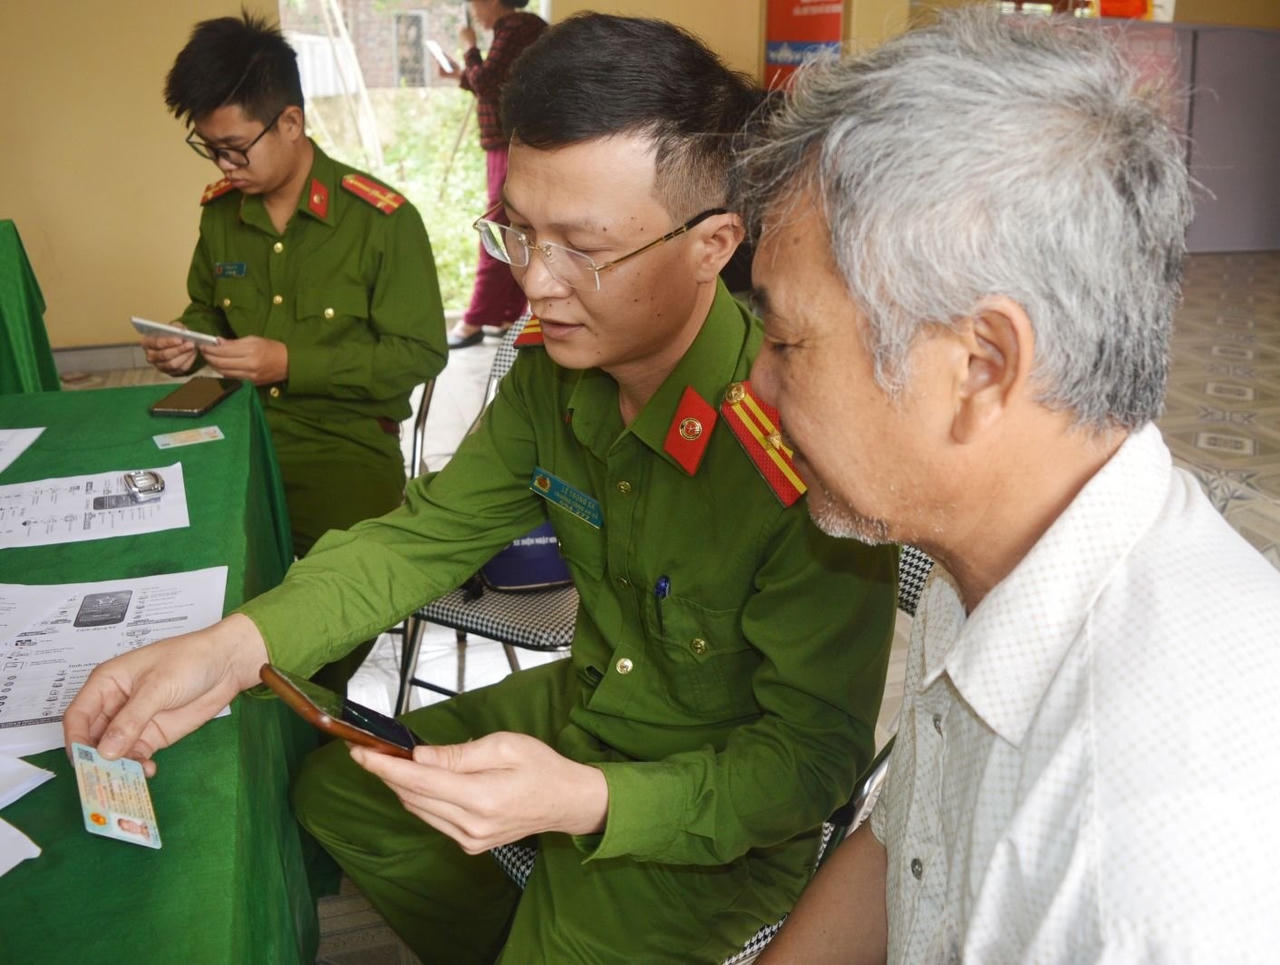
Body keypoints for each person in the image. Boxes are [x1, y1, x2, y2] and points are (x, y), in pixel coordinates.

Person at [66, 14, 899, 964]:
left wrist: (582, 802)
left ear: (712, 243)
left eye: (583, 247)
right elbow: (424, 536)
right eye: (519, 232)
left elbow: (809, 765)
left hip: (712, 808)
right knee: (343, 795)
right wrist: (228, 648)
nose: (536, 284)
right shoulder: (558, 370)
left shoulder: (800, 443)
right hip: (592, 711)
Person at [738, 9, 1280, 962]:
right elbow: (906, 845)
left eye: (786, 340)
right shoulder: (994, 548)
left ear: (981, 367)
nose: (756, 384)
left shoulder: (1145, 864)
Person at [142, 14, 448, 690]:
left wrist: (291, 362)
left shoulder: (381, 221)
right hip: (239, 431)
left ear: (289, 123)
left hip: (345, 449)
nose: (224, 165)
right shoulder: (223, 211)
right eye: (210, 149)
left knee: (312, 631)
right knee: (177, 576)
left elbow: (420, 353)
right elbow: (206, 308)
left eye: (235, 148)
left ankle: (292, 739)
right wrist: (182, 343)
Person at [443, 0, 547, 349]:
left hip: (512, 146)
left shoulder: (516, 27)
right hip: (509, 144)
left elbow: (487, 81)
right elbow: (494, 82)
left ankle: (474, 321)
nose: (474, 11)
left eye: (475, 4)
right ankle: (507, 314)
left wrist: (470, 46)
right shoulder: (519, 29)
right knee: (512, 230)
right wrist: (461, 75)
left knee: (497, 228)